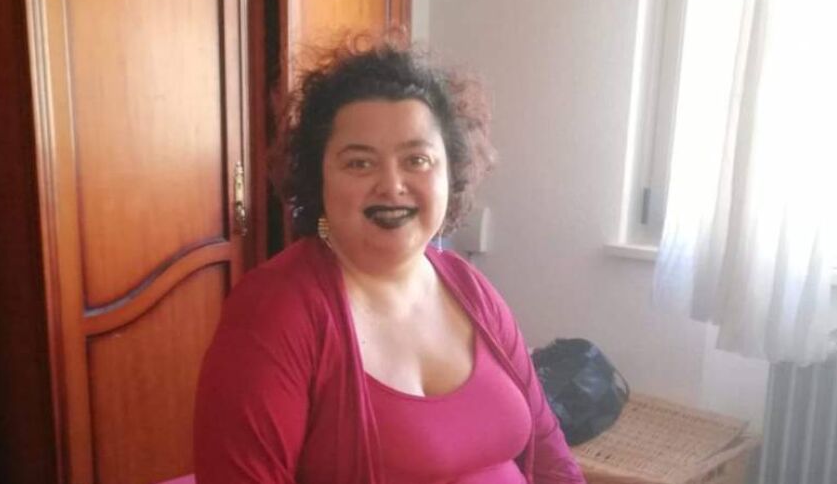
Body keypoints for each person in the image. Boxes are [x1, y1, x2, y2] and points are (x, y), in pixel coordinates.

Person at [194, 36, 586, 484]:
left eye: (417, 159)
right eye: (359, 163)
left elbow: (549, 453)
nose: (392, 185)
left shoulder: (470, 289)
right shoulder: (273, 312)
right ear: (318, 178)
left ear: (450, 172)